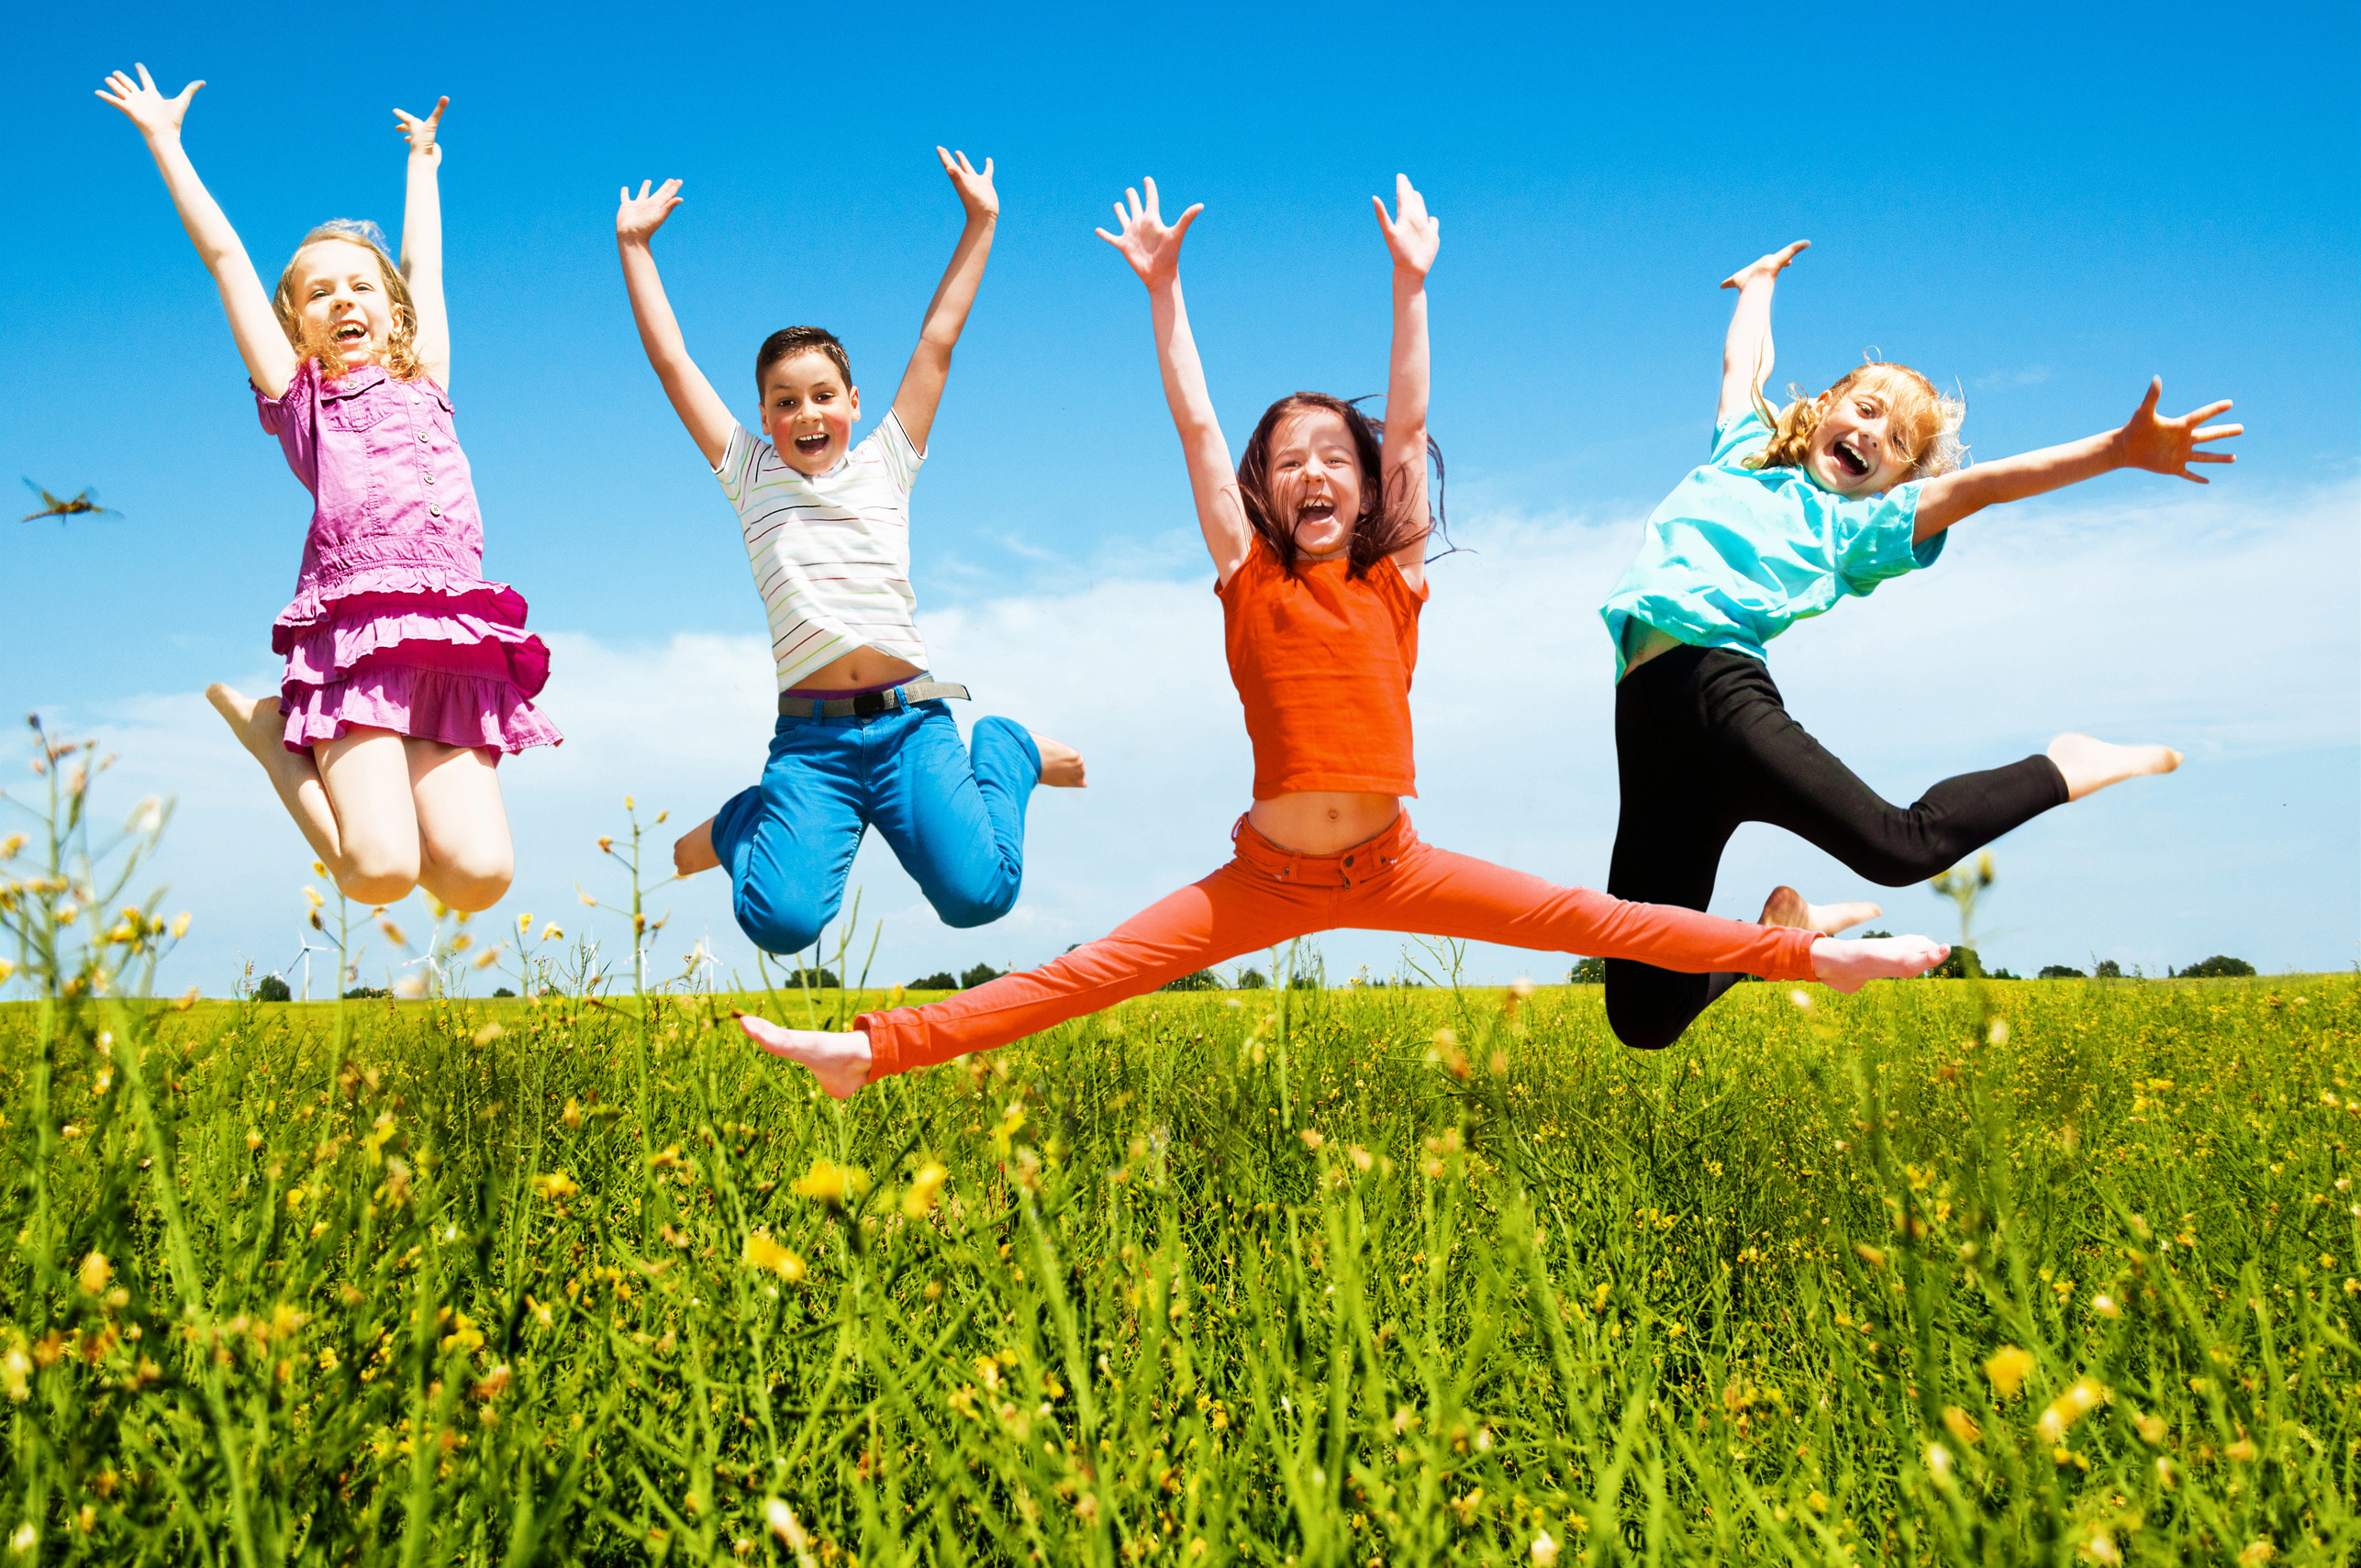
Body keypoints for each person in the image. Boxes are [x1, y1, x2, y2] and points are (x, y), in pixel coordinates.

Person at [738, 178, 1949, 1097]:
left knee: (1600, 920)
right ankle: (870, 1051)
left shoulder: (1393, 577)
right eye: (1288, 460)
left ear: (1367, 489)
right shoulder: (1246, 573)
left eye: (1334, 456)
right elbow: (1197, 425)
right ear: (1263, 491)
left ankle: (1804, 957)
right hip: (1264, 871)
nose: (1312, 470)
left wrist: (1410, 285)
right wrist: (1163, 291)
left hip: (1392, 861)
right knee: (1087, 973)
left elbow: (1407, 419)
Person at [1598, 239, 2240, 1050]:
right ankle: (1776, 937)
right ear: (1824, 405)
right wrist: (1757, 285)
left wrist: (2115, 450)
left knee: (1900, 847)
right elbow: (1743, 366)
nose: (1874, 435)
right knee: (1642, 1016)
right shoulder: (1742, 453)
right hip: (1644, 718)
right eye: (1867, 410)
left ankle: (2061, 765)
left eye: (1898, 441)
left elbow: (1984, 485)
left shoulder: (1859, 526)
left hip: (1717, 693)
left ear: (1898, 482)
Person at [98, 67, 556, 912]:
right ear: (295, 325)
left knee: (479, 879)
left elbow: (424, 268)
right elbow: (226, 260)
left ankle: (383, 814)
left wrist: (423, 165)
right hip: (355, 640)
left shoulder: (428, 376)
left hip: (451, 638)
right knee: (379, 873)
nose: (344, 299)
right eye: (319, 292)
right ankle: (274, 738)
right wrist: (165, 142)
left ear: (393, 312)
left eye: (360, 286)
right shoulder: (302, 397)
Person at [614, 153, 1086, 959]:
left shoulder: (886, 461)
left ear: (854, 403)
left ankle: (1005, 746)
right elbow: (672, 364)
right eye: (785, 401)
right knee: (781, 923)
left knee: (981, 896)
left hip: (912, 727)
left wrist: (981, 223)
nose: (806, 412)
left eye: (823, 395)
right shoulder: (749, 475)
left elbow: (937, 342)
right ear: (763, 415)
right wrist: (634, 247)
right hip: (812, 745)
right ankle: (743, 820)